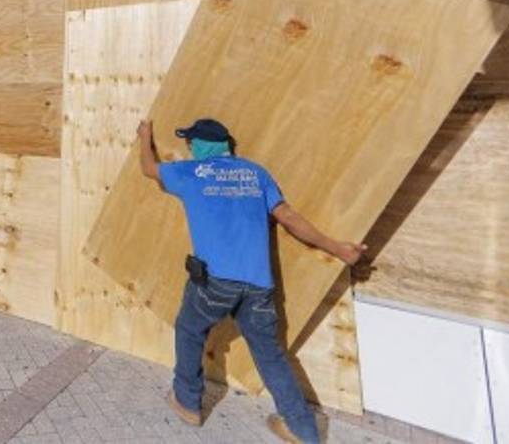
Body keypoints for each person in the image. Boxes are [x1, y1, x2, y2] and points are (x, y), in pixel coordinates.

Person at [138, 117, 366, 444]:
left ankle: (188, 402)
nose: (188, 148)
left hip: (214, 283)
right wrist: (338, 248)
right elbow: (288, 218)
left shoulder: (190, 172)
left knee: (190, 330)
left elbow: (149, 167)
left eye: (190, 143)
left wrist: (144, 136)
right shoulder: (256, 173)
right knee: (270, 353)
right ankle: (302, 428)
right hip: (259, 286)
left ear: (198, 146)